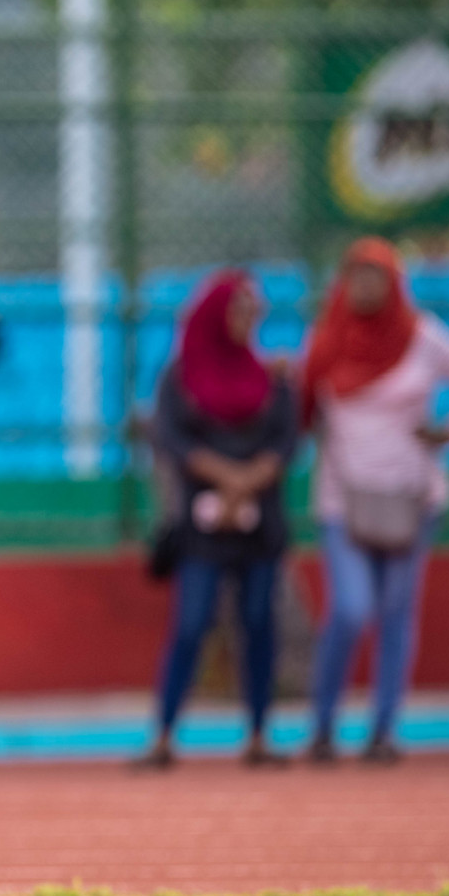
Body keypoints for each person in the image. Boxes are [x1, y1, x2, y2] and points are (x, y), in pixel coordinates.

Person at [301, 237, 449, 765]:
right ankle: (322, 726)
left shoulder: (422, 337)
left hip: (412, 497)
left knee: (395, 611)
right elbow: (302, 404)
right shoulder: (326, 338)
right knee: (350, 607)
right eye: (355, 276)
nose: (364, 288)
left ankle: (383, 730)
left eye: (376, 277)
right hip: (345, 499)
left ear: (394, 282)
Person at [138, 270, 297, 769]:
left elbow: (287, 440)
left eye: (255, 312)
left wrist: (249, 481)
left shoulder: (273, 376)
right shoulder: (181, 376)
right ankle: (163, 734)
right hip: (201, 526)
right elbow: (172, 439)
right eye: (240, 309)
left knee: (258, 622)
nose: (249, 320)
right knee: (191, 623)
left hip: (260, 522)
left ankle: (257, 733)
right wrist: (225, 478)